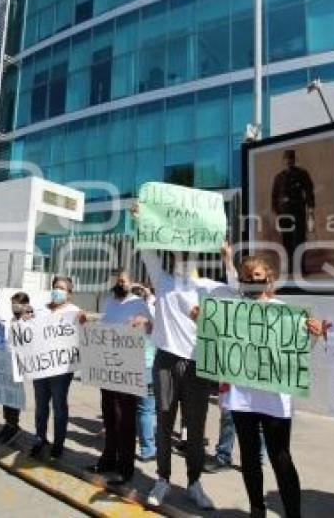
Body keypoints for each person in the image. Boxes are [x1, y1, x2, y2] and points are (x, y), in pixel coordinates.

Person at [130, 206, 228, 509]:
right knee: (163, 421)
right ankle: (162, 479)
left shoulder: (208, 287)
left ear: (197, 259)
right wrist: (140, 219)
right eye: (178, 255)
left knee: (196, 427)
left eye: (189, 255)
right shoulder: (162, 281)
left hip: (197, 364)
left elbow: (237, 292)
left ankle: (195, 483)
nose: (183, 260)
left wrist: (228, 256)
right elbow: (147, 251)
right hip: (165, 361)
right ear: (172, 258)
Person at [218, 251, 322, 518]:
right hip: (242, 396)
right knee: (250, 456)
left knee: (281, 457)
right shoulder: (233, 309)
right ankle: (257, 508)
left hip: (274, 397)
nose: (251, 281)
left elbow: (298, 350)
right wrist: (201, 322)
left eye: (256, 276)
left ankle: (292, 513)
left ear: (268, 278)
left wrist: (314, 336)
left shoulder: (284, 311)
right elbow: (217, 338)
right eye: (246, 278)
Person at [87, 271, 153, 485]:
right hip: (108, 366)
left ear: (131, 283)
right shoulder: (107, 302)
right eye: (115, 281)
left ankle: (125, 468)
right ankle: (108, 459)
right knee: (109, 416)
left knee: (125, 419)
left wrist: (143, 324)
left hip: (129, 368)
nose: (119, 284)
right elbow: (103, 324)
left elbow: (152, 328)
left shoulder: (139, 303)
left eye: (123, 281)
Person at [30, 276, 84, 459]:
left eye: (61, 288)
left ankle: (58, 444)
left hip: (61, 369)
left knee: (59, 405)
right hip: (40, 365)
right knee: (40, 404)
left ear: (70, 294)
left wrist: (84, 322)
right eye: (55, 287)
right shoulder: (41, 310)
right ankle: (40, 437)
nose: (56, 291)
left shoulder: (74, 312)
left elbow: (83, 335)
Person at [271, 150, 315, 277]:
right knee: (287, 241)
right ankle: (289, 267)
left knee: (299, 239)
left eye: (291, 159)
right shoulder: (279, 177)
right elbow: (274, 196)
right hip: (284, 213)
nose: (288, 161)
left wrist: (311, 209)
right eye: (286, 159)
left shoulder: (302, 174)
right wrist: (277, 214)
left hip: (298, 211)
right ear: (283, 160)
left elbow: (309, 191)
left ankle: (300, 268)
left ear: (294, 160)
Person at [0, 291, 32, 445]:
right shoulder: (12, 319)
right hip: (7, 359)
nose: (13, 307)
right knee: (5, 393)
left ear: (25, 305)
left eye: (16, 304)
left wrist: (28, 317)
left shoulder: (28, 320)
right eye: (12, 304)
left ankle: (14, 425)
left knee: (13, 394)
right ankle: (7, 423)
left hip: (18, 362)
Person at [132, 283, 157, 463]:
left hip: (137, 367)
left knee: (140, 410)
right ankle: (149, 448)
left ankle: (146, 448)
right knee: (147, 410)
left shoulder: (134, 318)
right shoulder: (153, 314)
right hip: (151, 366)